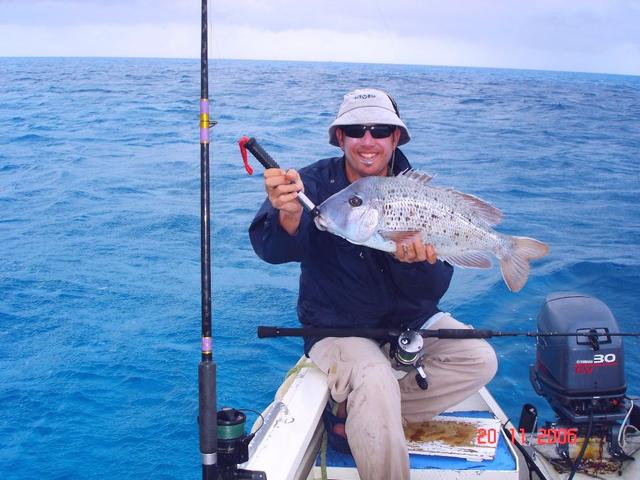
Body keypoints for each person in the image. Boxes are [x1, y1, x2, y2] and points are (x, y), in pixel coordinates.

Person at [249, 88, 497, 480]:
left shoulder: (414, 194)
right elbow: (273, 249)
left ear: (395, 138)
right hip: (336, 328)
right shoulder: (309, 185)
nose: (368, 141)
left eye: (380, 130)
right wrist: (290, 218)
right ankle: (369, 414)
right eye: (355, 130)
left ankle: (352, 414)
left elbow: (431, 290)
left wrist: (414, 263)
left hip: (406, 323)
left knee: (479, 358)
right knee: (376, 378)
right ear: (340, 138)